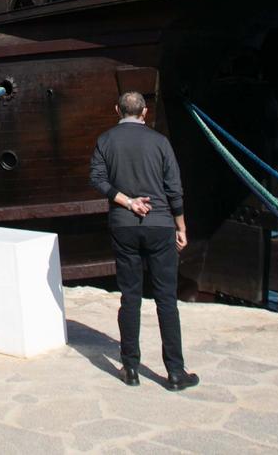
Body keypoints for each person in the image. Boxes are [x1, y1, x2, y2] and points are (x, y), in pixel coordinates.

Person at [89, 90, 199, 391]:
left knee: (130, 297)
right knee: (166, 299)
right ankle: (175, 372)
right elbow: (174, 189)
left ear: (117, 110)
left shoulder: (105, 141)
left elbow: (98, 179)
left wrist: (127, 201)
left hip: (124, 226)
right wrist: (181, 226)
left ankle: (131, 367)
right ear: (144, 112)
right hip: (160, 224)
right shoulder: (160, 142)